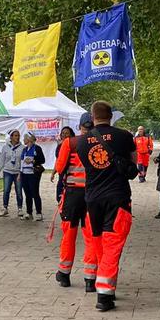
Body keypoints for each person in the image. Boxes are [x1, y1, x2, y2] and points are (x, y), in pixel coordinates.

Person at [73, 100, 137, 311]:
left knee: (99, 242)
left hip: (92, 199)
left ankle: (104, 283)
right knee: (112, 244)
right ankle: (104, 295)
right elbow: (133, 166)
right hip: (117, 198)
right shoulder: (124, 136)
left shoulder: (82, 142)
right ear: (111, 116)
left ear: (92, 117)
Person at [53, 115, 95, 290]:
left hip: (72, 194)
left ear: (79, 126)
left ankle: (64, 274)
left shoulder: (69, 143)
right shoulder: (98, 143)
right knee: (91, 236)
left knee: (69, 235)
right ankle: (90, 279)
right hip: (92, 195)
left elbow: (60, 167)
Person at [20, 132, 46, 220]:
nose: (23, 140)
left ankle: (39, 213)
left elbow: (42, 160)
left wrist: (33, 161)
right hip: (24, 174)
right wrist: (20, 174)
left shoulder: (37, 148)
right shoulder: (24, 149)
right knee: (27, 194)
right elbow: (21, 162)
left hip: (33, 174)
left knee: (35, 193)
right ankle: (29, 212)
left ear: (29, 139)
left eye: (25, 138)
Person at [0, 130, 24, 217]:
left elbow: (23, 161)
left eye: (18, 135)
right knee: (6, 190)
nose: (17, 137)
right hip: (8, 171)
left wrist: (21, 172)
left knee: (19, 191)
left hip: (17, 172)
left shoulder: (22, 148)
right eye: (15, 136)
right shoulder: (5, 147)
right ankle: (5, 208)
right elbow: (2, 160)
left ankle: (20, 208)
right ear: (11, 137)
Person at [52, 125, 75, 205]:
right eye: (63, 133)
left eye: (66, 133)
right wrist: (53, 172)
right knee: (59, 196)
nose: (64, 135)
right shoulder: (59, 146)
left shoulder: (74, 145)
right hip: (61, 174)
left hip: (71, 175)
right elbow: (58, 159)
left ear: (71, 135)